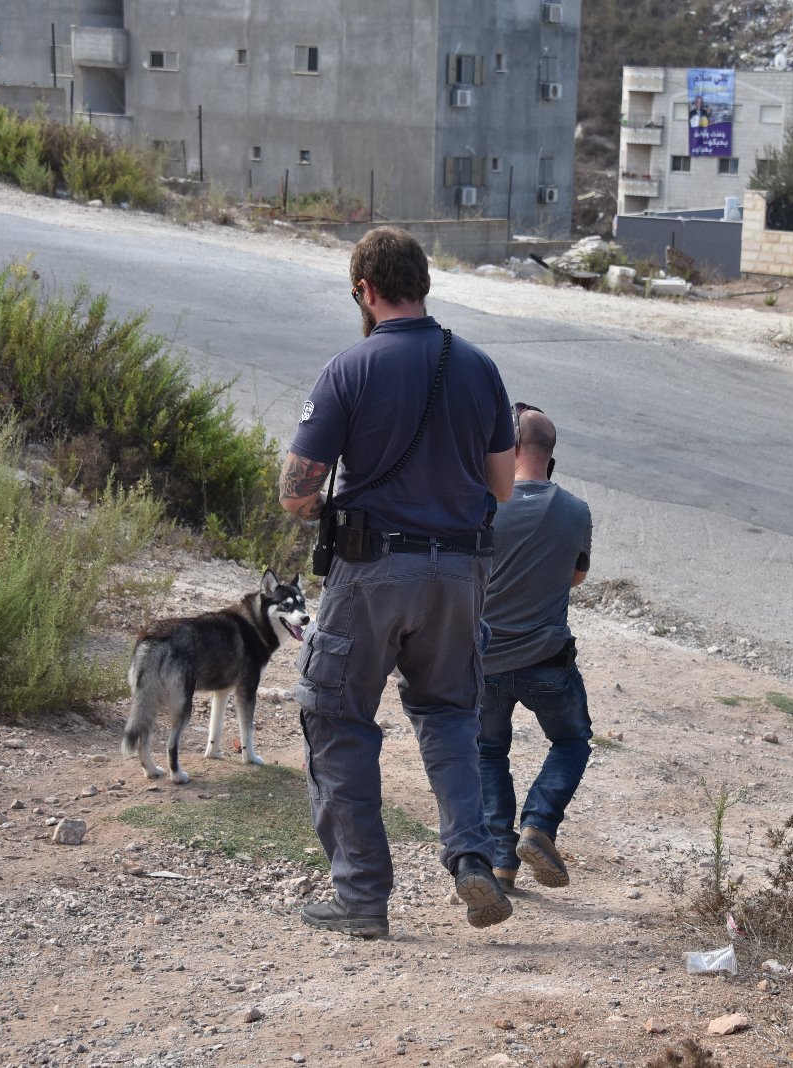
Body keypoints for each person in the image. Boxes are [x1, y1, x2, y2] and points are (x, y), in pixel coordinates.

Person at [279, 226, 517, 939]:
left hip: (373, 570)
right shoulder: (478, 367)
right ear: (425, 285)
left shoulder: (349, 368)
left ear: (365, 290)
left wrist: (330, 505)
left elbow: (296, 492)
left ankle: (361, 897)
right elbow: (501, 488)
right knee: (448, 714)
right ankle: (471, 858)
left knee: (336, 715)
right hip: (461, 574)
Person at [476, 403, 592, 893]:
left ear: (512, 448)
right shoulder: (576, 510)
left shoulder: (482, 503)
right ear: (550, 455)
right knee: (570, 741)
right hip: (548, 659)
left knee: (488, 752)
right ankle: (539, 824)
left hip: (485, 661)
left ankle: (502, 862)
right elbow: (576, 577)